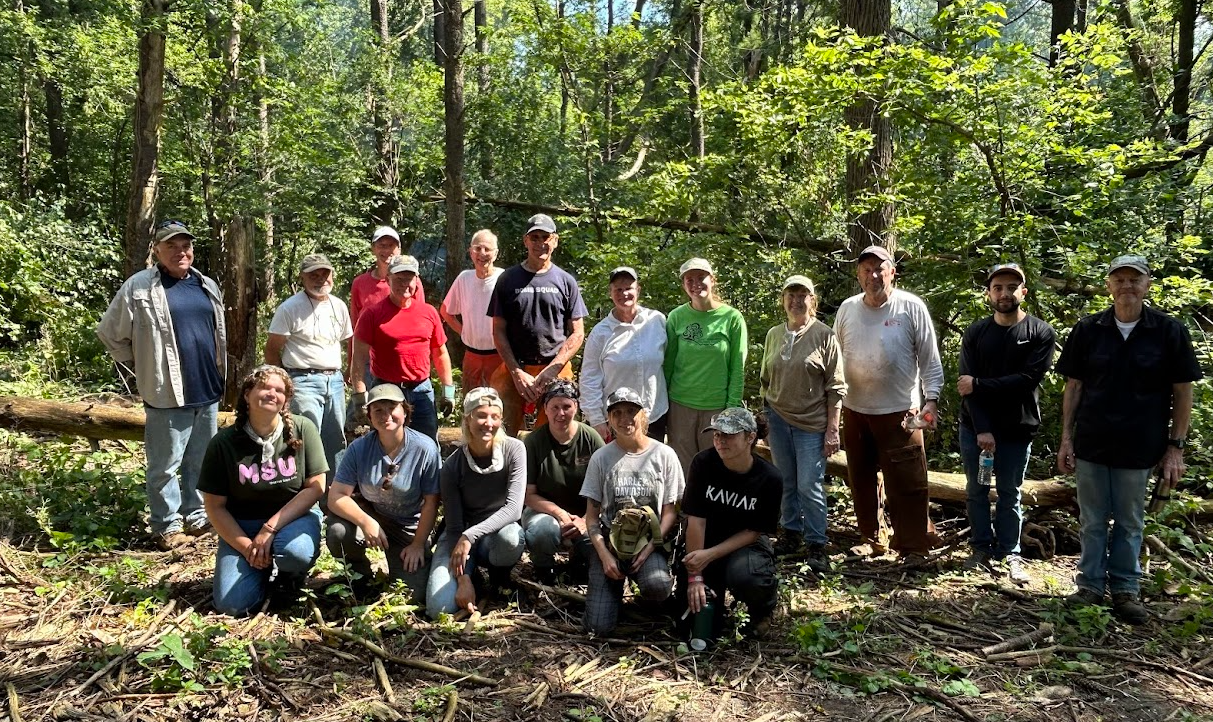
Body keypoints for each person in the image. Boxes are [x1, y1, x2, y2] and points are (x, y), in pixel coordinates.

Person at [1055, 254, 1200, 624]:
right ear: (1108, 286)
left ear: (1147, 284)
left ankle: (1124, 590)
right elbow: (1074, 386)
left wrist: (1175, 447)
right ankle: (1089, 585)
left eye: (1134, 280)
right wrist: (1066, 439)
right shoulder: (1088, 330)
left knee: (1130, 520)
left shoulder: (1169, 331)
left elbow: (1182, 392)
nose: (1127, 286)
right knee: (1091, 518)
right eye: (1119, 279)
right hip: (1092, 440)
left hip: (1140, 443)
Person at [96, 220, 225, 550]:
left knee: (201, 460)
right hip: (166, 392)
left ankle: (197, 517)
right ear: (157, 250)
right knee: (165, 465)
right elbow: (110, 332)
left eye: (185, 246)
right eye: (171, 246)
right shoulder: (139, 287)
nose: (180, 252)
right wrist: (142, 365)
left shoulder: (206, 285)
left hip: (207, 389)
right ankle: (167, 525)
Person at [833, 245, 944, 563]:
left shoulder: (910, 307)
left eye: (880, 268)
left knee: (908, 481)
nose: (873, 275)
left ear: (892, 272)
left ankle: (913, 546)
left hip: (902, 411)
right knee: (861, 479)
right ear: (858, 275)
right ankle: (872, 539)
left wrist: (931, 401)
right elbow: (836, 358)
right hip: (856, 410)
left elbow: (929, 359)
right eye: (866, 270)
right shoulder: (847, 310)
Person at [198, 366, 327, 616]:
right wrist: (248, 547)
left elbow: (316, 487)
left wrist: (270, 528)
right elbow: (214, 506)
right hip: (242, 526)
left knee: (295, 553)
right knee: (232, 605)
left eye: (279, 390)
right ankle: (260, 567)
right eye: (264, 387)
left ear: (286, 400)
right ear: (247, 394)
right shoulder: (223, 443)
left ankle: (290, 578)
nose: (272, 393)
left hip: (293, 519)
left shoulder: (303, 429)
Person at [957, 263, 1055, 583]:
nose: (1004, 293)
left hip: (1016, 429)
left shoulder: (1039, 332)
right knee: (977, 490)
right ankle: (980, 547)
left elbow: (1027, 380)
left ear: (1022, 292)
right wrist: (983, 428)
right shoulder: (976, 333)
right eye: (998, 288)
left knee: (1010, 493)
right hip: (975, 428)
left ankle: (1009, 552)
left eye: (1012, 287)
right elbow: (965, 387)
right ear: (989, 294)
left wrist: (981, 384)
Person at [580, 388, 684, 635]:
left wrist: (651, 548)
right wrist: (605, 555)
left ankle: (646, 602)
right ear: (609, 419)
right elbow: (592, 517)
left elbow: (671, 511)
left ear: (643, 416)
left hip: (649, 541)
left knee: (658, 585)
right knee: (597, 628)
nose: (625, 418)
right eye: (617, 413)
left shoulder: (664, 455)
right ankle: (609, 594)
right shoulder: (601, 458)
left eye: (631, 411)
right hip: (610, 543)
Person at [760, 275, 846, 569]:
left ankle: (817, 543)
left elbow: (836, 387)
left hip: (812, 424)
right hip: (778, 420)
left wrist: (833, 430)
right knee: (785, 482)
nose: (796, 301)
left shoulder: (824, 335)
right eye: (791, 295)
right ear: (783, 300)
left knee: (810, 484)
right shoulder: (774, 334)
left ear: (813, 300)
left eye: (803, 295)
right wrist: (765, 415)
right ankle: (791, 533)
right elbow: (766, 380)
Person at [326, 384, 440, 602]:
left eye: (392, 407)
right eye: (378, 410)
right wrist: (366, 521)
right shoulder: (359, 448)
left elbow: (431, 503)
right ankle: (361, 577)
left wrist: (417, 544)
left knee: (413, 594)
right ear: (369, 416)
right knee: (339, 532)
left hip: (408, 526)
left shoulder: (425, 449)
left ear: (405, 411)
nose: (385, 415)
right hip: (373, 513)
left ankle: (405, 560)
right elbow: (337, 496)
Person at [426, 387, 526, 617]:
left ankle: (499, 578)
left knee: (511, 537)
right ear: (467, 419)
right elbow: (453, 526)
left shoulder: (514, 449)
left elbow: (513, 509)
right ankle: (475, 579)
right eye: (481, 415)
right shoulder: (452, 466)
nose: (488, 423)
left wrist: (469, 536)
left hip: (494, 535)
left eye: (494, 417)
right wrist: (463, 580)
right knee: (438, 608)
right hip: (459, 537)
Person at [683, 408, 781, 639]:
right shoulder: (703, 463)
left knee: (748, 577)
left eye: (729, 435)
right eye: (717, 434)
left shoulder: (769, 478)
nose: (720, 441)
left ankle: (762, 611)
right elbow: (696, 522)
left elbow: (754, 531)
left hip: (744, 545)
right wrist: (695, 576)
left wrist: (711, 555)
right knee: (696, 620)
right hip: (705, 539)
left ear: (750, 437)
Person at [488, 213, 588, 435]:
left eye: (545, 237)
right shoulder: (507, 279)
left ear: (555, 241)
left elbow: (577, 333)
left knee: (556, 433)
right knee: (500, 432)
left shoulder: (566, 281)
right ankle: (506, 470)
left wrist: (554, 369)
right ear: (525, 241)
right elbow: (498, 330)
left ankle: (550, 470)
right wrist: (516, 372)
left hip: (556, 368)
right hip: (515, 369)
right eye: (534, 238)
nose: (540, 243)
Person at [265, 253, 353, 490]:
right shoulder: (289, 308)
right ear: (302, 277)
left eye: (325, 273)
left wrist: (348, 373)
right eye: (313, 275)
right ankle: (305, 494)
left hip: (333, 381)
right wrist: (281, 383)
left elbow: (348, 341)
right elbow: (273, 348)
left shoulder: (339, 306)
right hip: (302, 380)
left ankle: (334, 495)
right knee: (304, 439)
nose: (320, 279)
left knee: (336, 440)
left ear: (332, 276)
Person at [351, 254, 455, 441]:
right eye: (399, 278)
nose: (404, 284)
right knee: (386, 444)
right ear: (388, 279)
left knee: (428, 444)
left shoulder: (428, 312)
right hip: (386, 390)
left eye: (409, 278)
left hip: (421, 390)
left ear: (417, 280)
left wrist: (448, 391)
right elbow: (358, 358)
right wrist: (359, 396)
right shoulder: (372, 314)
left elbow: (440, 353)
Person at [664, 258, 748, 474]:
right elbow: (668, 365)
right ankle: (684, 509)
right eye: (689, 279)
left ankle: (712, 509)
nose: (695, 284)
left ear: (712, 280)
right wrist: (663, 403)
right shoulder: (676, 317)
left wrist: (731, 408)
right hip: (680, 404)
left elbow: (737, 367)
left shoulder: (732, 318)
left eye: (701, 277)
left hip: (717, 407)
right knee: (683, 468)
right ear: (683, 285)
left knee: (715, 468)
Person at [522, 380, 605, 584]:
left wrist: (585, 519)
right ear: (546, 410)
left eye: (567, 406)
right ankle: (543, 569)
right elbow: (528, 494)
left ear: (576, 407)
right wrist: (560, 514)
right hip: (544, 511)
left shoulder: (591, 438)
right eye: (555, 407)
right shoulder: (533, 442)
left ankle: (578, 565)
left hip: (587, 511)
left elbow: (606, 487)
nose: (561, 413)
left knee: (593, 540)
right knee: (544, 530)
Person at [580, 266, 669, 441]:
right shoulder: (600, 333)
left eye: (628, 288)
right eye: (618, 289)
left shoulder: (657, 321)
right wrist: (597, 420)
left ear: (638, 290)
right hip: (617, 420)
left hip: (654, 416)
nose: (624, 294)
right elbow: (589, 379)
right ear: (610, 293)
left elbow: (669, 363)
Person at [348, 226, 425, 390]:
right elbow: (354, 327)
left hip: (400, 359)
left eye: (391, 245)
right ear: (373, 249)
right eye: (381, 245)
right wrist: (351, 365)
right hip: (367, 359)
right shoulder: (360, 283)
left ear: (399, 249)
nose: (386, 250)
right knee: (363, 409)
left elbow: (420, 320)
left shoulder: (413, 283)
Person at [440, 229, 505, 389]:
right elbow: (445, 312)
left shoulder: (504, 279)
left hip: (499, 356)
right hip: (471, 355)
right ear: (470, 252)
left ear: (495, 254)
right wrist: (464, 331)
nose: (482, 253)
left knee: (498, 405)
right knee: (470, 404)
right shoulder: (464, 278)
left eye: (487, 249)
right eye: (477, 248)